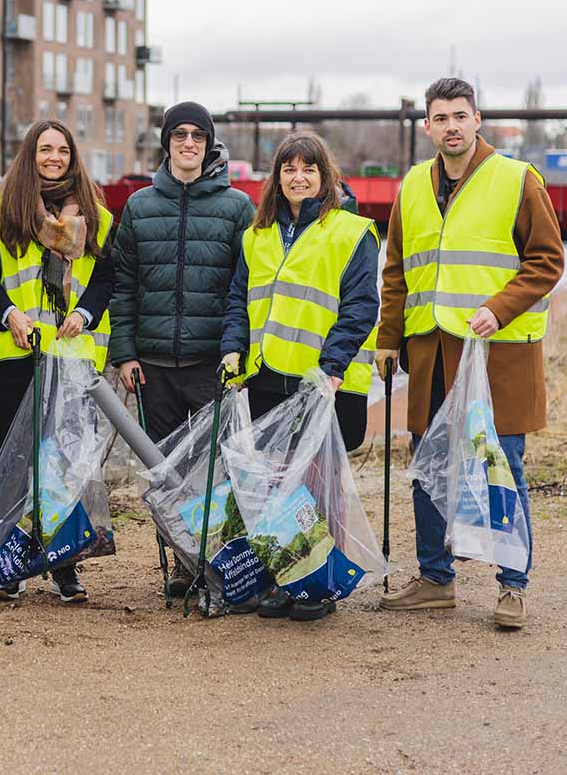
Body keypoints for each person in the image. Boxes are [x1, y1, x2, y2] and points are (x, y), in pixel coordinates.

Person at [376, 77, 563, 629]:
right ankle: (436, 578)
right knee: (429, 465)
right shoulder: (412, 186)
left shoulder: (516, 179)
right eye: (441, 117)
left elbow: (546, 262)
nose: (451, 126)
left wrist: (500, 307)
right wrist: (387, 340)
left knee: (501, 467)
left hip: (496, 354)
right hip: (431, 353)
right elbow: (396, 272)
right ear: (428, 125)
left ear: (477, 120)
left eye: (461, 115)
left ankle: (512, 587)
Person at [221, 130, 379, 622]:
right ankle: (284, 576)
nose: (298, 177)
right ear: (277, 177)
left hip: (322, 381)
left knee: (318, 483)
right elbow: (237, 301)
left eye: (308, 168)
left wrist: (331, 369)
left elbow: (360, 307)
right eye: (289, 168)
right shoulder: (257, 235)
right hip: (268, 376)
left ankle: (320, 584)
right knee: (273, 485)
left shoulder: (351, 232)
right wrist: (231, 348)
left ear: (324, 175)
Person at [109, 101, 255, 600]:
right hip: (152, 364)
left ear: (209, 143)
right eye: (179, 134)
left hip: (210, 363)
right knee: (165, 472)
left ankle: (217, 558)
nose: (188, 142)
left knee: (214, 472)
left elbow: (246, 288)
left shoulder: (237, 208)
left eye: (198, 135)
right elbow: (123, 284)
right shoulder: (139, 206)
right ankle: (179, 561)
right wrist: (124, 353)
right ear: (167, 142)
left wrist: (236, 352)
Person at [0, 120, 113, 603]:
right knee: (13, 470)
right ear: (30, 154)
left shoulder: (96, 216)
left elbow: (107, 278)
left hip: (70, 358)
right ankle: (11, 565)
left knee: (65, 465)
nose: (54, 157)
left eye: (63, 150)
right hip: (16, 354)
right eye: (45, 149)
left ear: (74, 158)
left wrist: (85, 313)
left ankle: (63, 564)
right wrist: (8, 314)